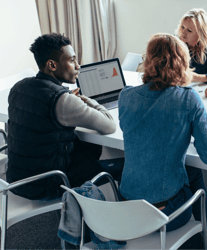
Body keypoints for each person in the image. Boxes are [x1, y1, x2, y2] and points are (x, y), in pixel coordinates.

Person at [118, 33, 207, 250]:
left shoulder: (125, 95)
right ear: (183, 64)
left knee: (187, 170)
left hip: (126, 210)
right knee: (196, 172)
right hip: (167, 214)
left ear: (147, 61)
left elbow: (142, 133)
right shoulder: (187, 98)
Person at [6, 33, 123, 200]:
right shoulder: (62, 100)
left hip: (18, 179)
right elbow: (110, 125)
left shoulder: (18, 88)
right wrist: (87, 100)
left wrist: (69, 99)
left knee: (87, 148)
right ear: (52, 65)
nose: (78, 66)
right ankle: (109, 219)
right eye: (72, 60)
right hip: (51, 182)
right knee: (126, 165)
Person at [176, 8, 207, 84]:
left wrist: (194, 77)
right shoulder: (174, 42)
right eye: (182, 27)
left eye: (189, 30)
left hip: (203, 89)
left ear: (201, 35)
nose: (183, 32)